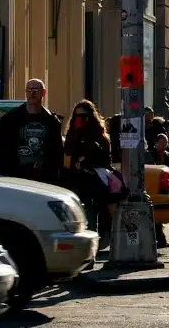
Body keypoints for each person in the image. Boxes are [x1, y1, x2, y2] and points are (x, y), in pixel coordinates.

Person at [64, 100, 117, 247]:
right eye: (77, 116)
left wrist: (86, 161)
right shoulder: (72, 134)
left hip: (95, 182)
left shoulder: (99, 135)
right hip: (77, 182)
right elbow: (68, 152)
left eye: (84, 116)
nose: (80, 119)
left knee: (94, 214)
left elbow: (105, 159)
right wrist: (76, 135)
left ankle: (95, 244)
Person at [0, 78, 65, 185]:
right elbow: (0, 150)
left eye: (36, 90)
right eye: (29, 90)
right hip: (16, 178)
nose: (32, 93)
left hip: (44, 179)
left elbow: (57, 152)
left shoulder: (51, 121)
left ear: (43, 93)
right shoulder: (11, 119)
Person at [147, 133, 169, 248]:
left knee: (159, 216)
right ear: (156, 143)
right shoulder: (149, 155)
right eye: (162, 144)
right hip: (153, 189)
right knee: (156, 216)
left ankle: (160, 239)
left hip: (165, 189)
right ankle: (160, 239)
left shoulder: (168, 156)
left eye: (165, 144)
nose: (164, 147)